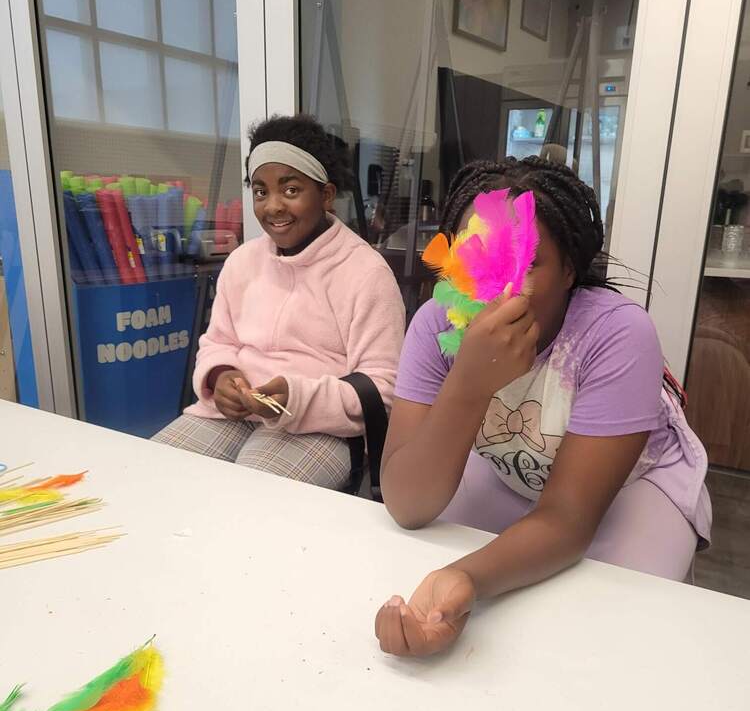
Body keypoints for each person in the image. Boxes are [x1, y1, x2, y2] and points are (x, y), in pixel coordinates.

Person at [375, 157, 711, 658]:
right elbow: (407, 503)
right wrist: (468, 382)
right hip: (511, 465)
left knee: (614, 634)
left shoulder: (618, 334)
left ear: (569, 270)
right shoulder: (433, 326)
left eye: (526, 262)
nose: (496, 284)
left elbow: (568, 519)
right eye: (477, 255)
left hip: (632, 487)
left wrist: (467, 576)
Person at [154, 114, 405, 489]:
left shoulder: (365, 272)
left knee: (251, 498)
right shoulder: (243, 261)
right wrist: (220, 376)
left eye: (290, 190)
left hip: (324, 427)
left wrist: (297, 397)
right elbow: (218, 342)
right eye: (260, 191)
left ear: (326, 195)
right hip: (231, 415)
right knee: (154, 476)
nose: (272, 207)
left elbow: (382, 388)